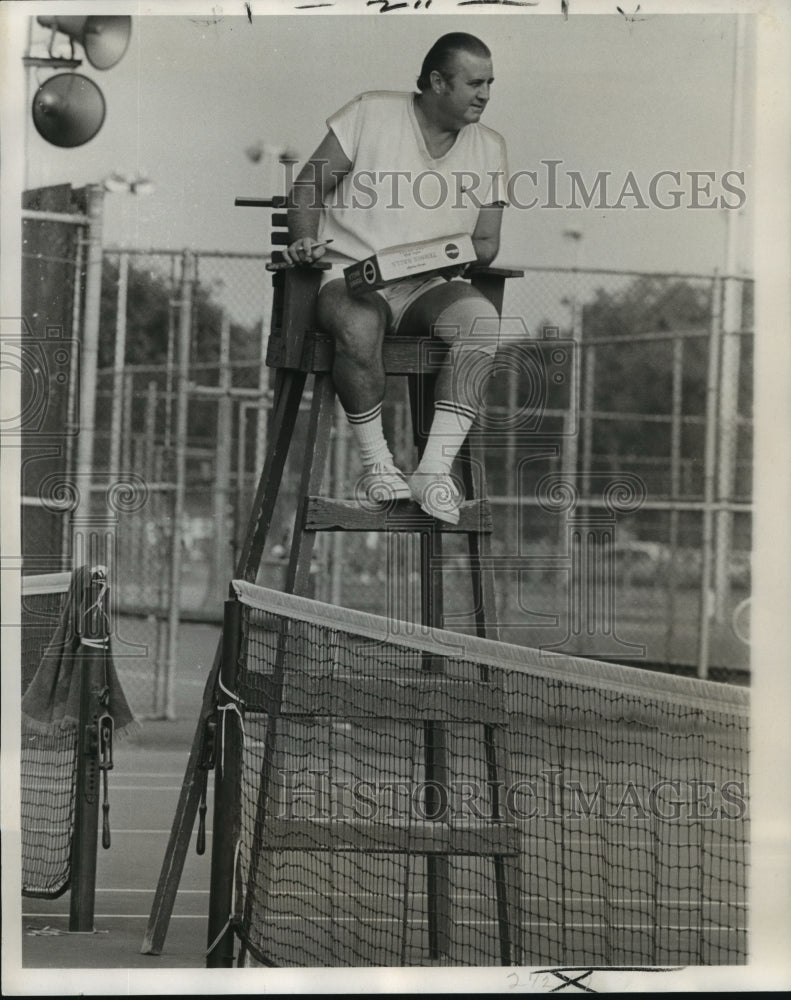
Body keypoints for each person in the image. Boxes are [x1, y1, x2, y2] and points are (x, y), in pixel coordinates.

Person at [284, 33, 508, 524]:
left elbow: (487, 244)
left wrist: (434, 257)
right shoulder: (370, 113)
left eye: (490, 82)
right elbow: (307, 189)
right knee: (359, 325)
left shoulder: (490, 147)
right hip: (355, 280)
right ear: (436, 82)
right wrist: (303, 241)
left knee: (482, 325)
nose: (485, 94)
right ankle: (378, 465)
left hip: (432, 287)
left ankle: (432, 473)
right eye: (474, 83)